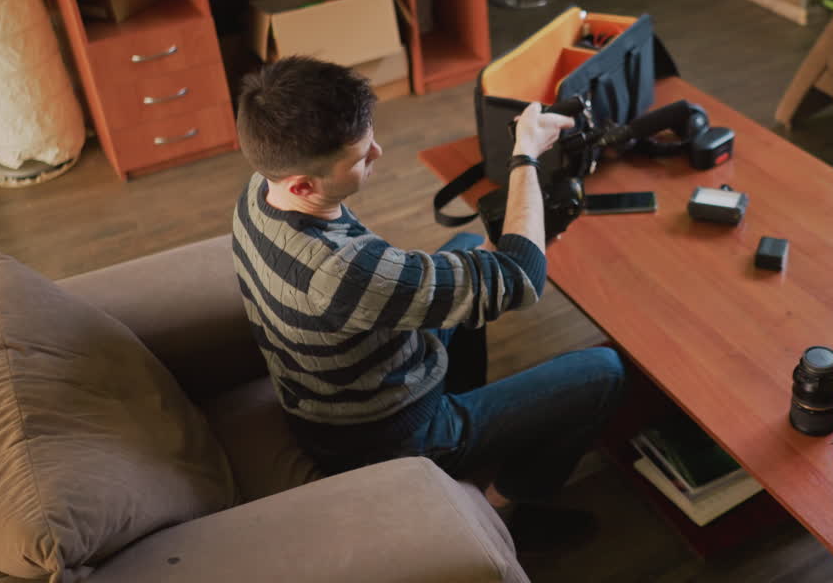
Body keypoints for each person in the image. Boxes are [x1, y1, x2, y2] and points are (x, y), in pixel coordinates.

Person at [230, 55, 625, 553]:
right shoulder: (341, 274)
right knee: (603, 370)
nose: (376, 151)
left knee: (463, 248)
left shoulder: (259, 192)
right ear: (303, 185)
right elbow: (524, 280)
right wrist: (524, 155)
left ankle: (468, 400)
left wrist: (494, 265)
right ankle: (506, 511)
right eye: (359, 158)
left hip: (334, 394)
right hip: (386, 436)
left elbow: (379, 283)